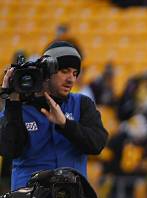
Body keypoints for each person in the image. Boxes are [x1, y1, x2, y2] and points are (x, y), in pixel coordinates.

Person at [0, 41, 107, 190]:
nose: (71, 79)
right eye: (64, 71)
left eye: (75, 73)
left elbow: (97, 144)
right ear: (46, 73)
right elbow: (10, 150)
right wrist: (12, 103)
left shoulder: (82, 104)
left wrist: (65, 124)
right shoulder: (18, 108)